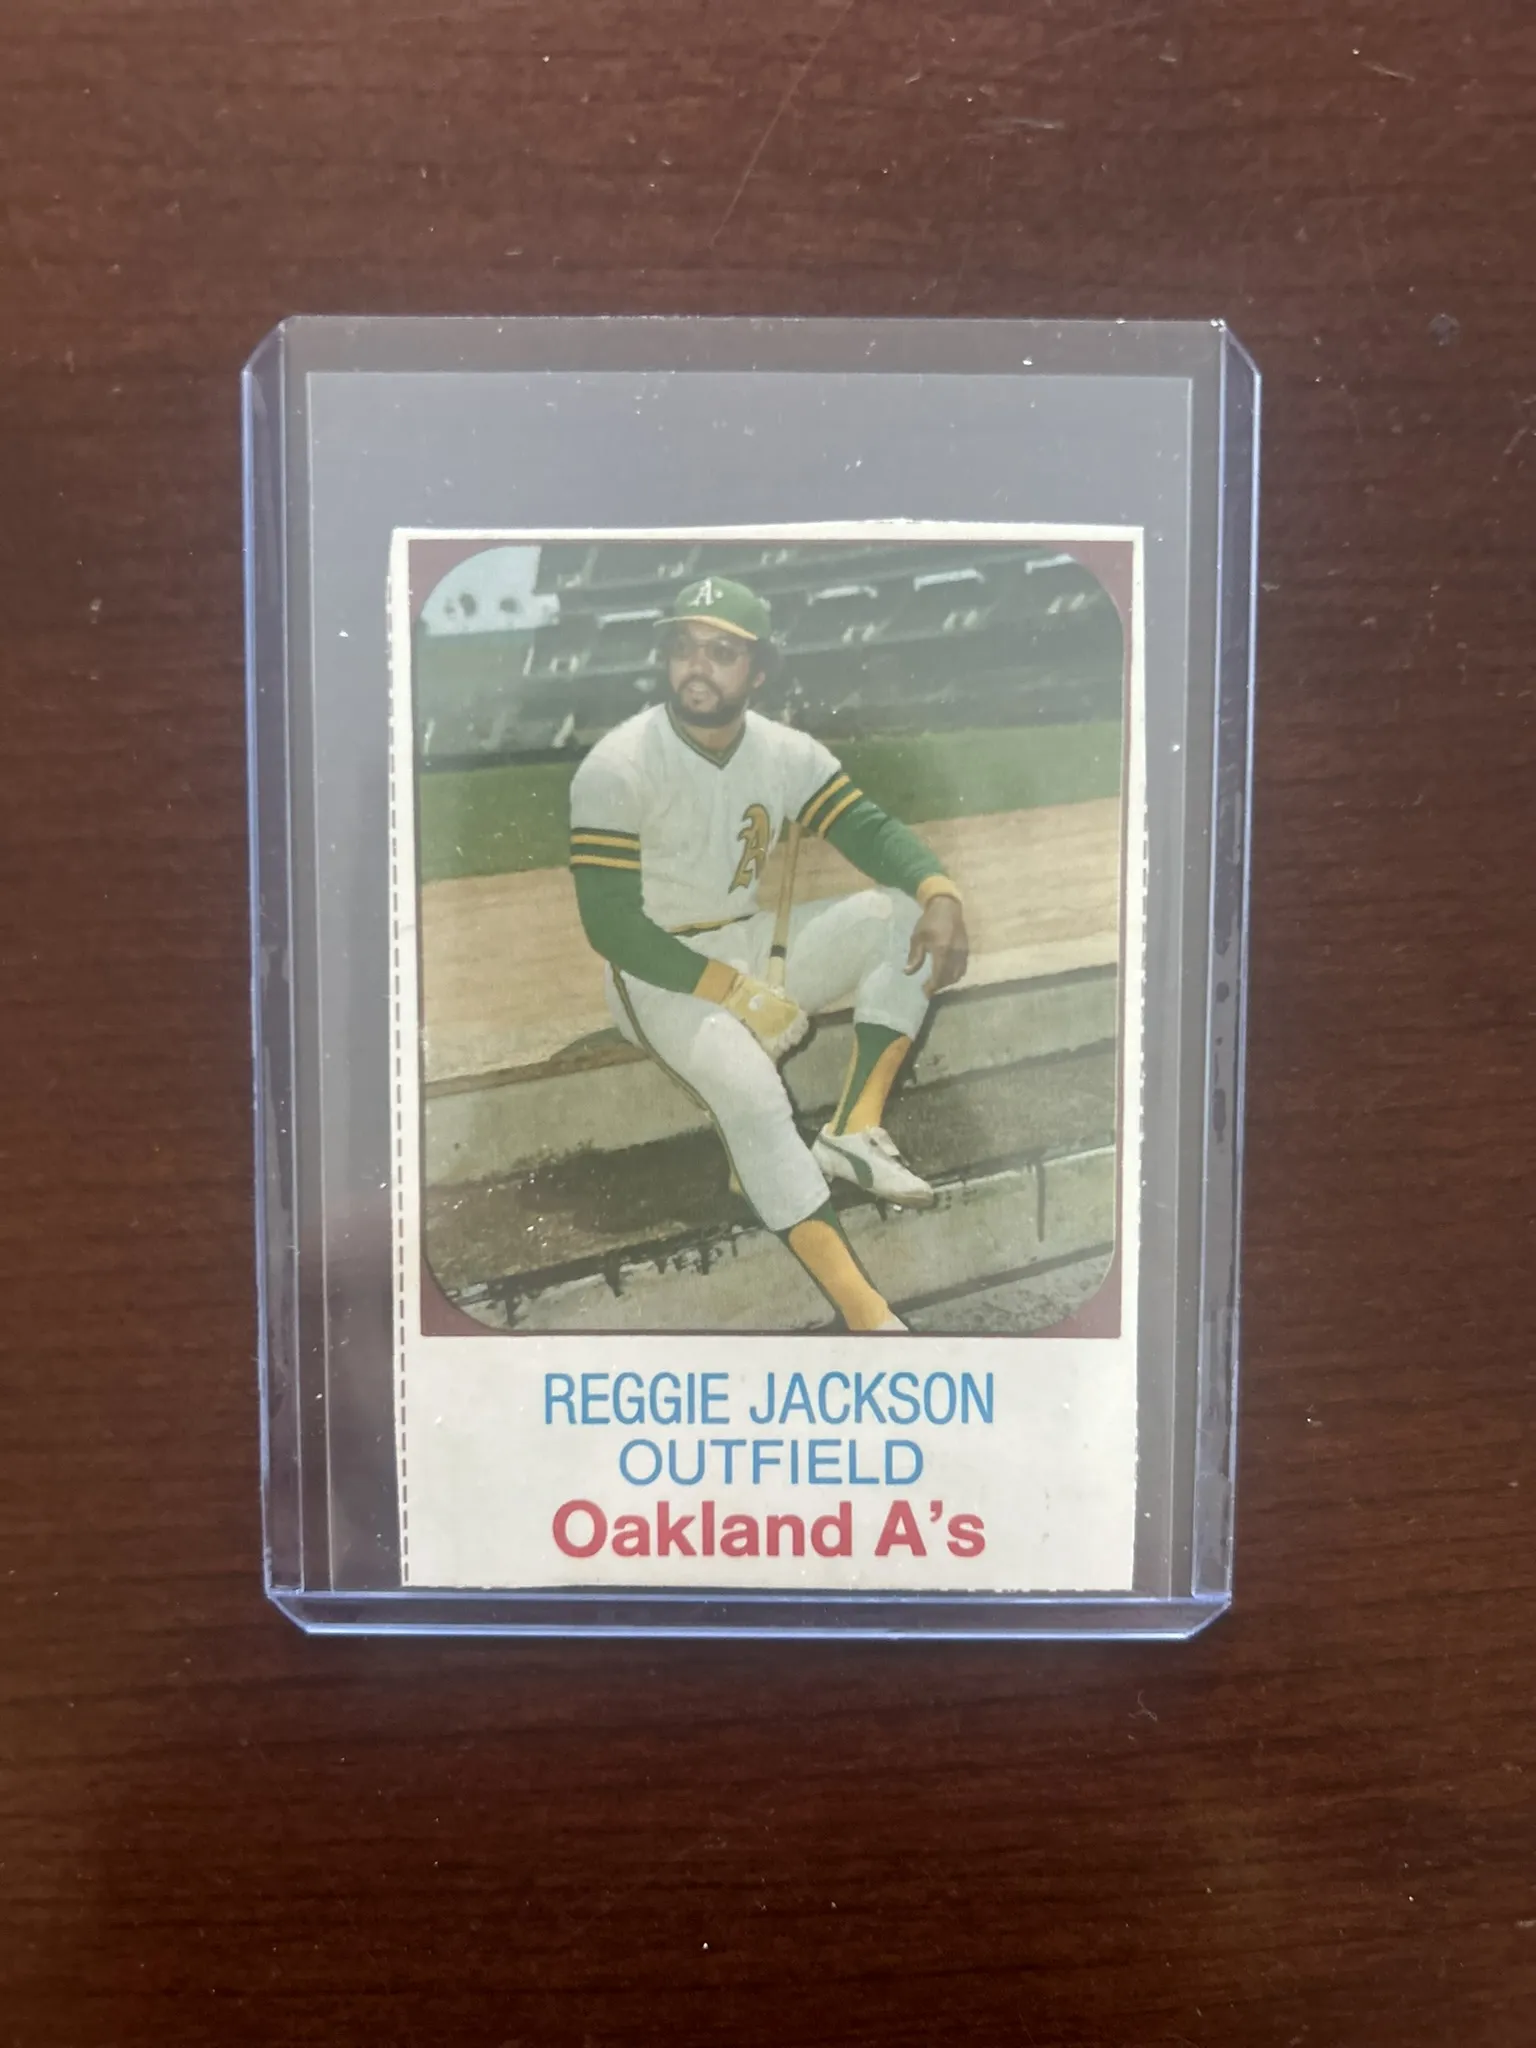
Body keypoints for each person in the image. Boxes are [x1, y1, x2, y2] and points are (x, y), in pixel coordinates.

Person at [568, 576, 969, 1332]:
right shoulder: (618, 764)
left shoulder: (785, 752)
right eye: (684, 647)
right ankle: (870, 1318)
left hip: (743, 941)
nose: (697, 665)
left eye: (722, 652)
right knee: (753, 1097)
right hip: (654, 971)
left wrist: (941, 893)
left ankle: (853, 1131)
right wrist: (735, 992)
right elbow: (612, 927)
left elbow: (869, 830)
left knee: (905, 913)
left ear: (757, 672)